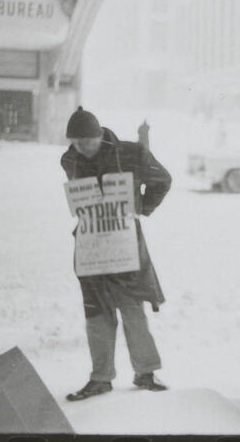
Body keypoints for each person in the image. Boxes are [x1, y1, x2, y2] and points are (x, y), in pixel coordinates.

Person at [61, 107, 172, 401]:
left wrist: (142, 208)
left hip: (125, 245)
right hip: (90, 245)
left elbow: (162, 180)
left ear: (99, 135)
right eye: (76, 142)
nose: (81, 148)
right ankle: (101, 377)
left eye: (87, 141)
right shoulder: (69, 159)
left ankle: (145, 372)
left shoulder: (132, 154)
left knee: (132, 308)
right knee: (96, 313)